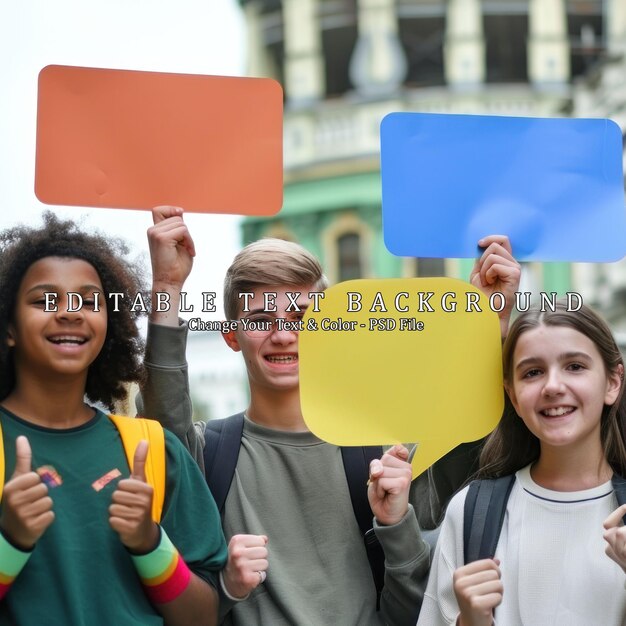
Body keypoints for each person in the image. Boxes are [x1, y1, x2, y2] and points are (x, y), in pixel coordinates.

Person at [140, 206, 521, 625]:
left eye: (302, 317)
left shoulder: (387, 451)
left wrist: (490, 326)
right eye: (261, 319)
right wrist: (166, 287)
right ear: (232, 336)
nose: (283, 335)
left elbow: (419, 602)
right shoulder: (209, 452)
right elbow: (163, 422)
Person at [0, 212, 227, 625]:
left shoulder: (157, 451)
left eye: (90, 301)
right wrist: (9, 544)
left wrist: (150, 544)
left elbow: (203, 617)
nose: (70, 312)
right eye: (43, 299)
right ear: (8, 326)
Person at [418, 301, 626, 626]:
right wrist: (470, 622)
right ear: (512, 396)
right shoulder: (470, 511)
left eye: (575, 366)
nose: (553, 386)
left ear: (613, 382)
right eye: (533, 372)